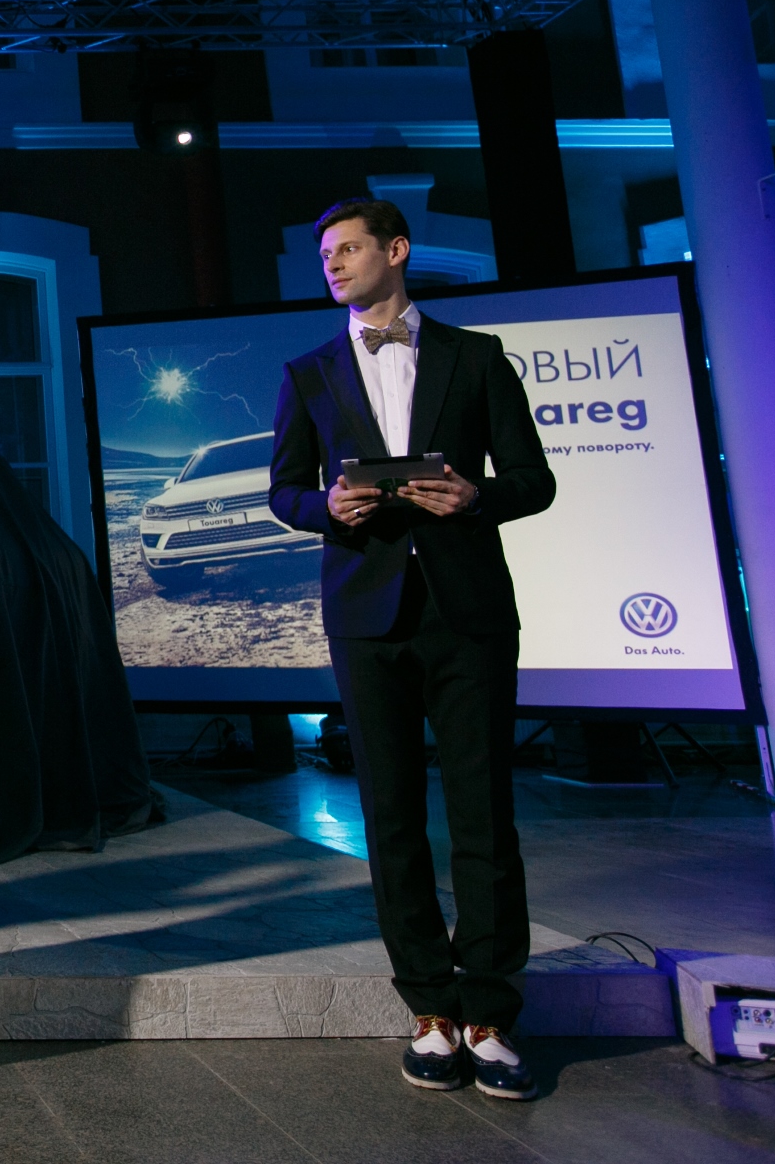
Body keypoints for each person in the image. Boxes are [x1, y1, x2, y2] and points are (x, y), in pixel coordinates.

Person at [268, 198, 554, 1102]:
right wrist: (326, 507)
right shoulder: (309, 371)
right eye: (325, 254)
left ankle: (490, 1012)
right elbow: (284, 489)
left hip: (468, 613)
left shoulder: (477, 356)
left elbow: (535, 479)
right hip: (366, 615)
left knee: (483, 811)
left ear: (396, 251)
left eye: (349, 248)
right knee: (389, 817)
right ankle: (429, 1007)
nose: (333, 264)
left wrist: (475, 497)